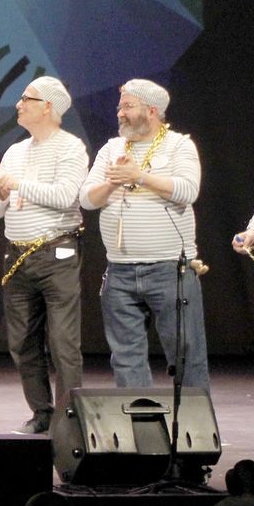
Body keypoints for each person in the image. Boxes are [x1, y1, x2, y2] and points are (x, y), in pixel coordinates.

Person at [80, 79, 208, 390]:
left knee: (185, 353)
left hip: (169, 269)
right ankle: (141, 428)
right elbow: (86, 198)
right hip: (120, 271)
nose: (120, 113)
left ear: (151, 111)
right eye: (119, 106)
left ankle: (195, 434)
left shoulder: (179, 145)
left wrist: (139, 176)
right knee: (125, 358)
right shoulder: (112, 148)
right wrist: (112, 183)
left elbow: (189, 190)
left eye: (127, 106)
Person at [0, 76, 89, 434]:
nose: (18, 104)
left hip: (57, 254)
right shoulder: (16, 150)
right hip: (17, 257)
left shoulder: (70, 147)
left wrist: (16, 184)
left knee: (62, 343)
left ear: (49, 107)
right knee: (22, 341)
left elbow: (65, 196)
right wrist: (0, 189)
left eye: (27, 98)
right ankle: (41, 411)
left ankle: (68, 418)